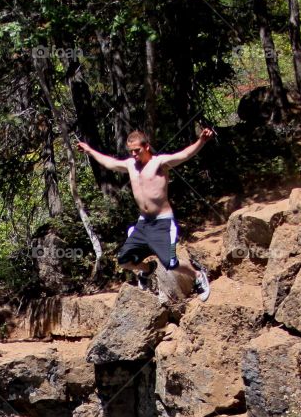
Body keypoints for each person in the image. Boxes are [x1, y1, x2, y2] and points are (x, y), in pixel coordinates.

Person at [75, 128, 214, 300]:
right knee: (124, 260)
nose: (133, 154)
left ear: (147, 146)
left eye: (137, 150)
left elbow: (184, 154)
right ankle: (147, 270)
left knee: (171, 263)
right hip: (143, 223)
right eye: (131, 151)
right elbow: (108, 163)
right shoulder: (130, 165)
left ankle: (198, 275)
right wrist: (89, 150)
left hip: (162, 223)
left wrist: (201, 141)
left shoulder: (159, 163)